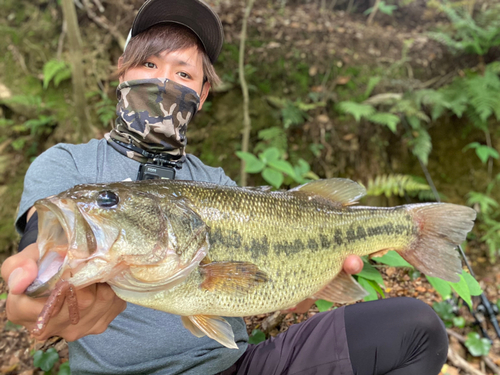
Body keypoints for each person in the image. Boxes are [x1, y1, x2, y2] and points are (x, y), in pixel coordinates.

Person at [1, 0, 449, 374]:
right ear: (122, 72)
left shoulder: (216, 183)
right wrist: (34, 287)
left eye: (183, 74)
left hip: (234, 367)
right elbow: (40, 246)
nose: (163, 81)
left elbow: (258, 284)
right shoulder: (67, 165)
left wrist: (305, 285)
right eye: (149, 63)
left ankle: (412, 228)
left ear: (202, 94)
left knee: (414, 327)